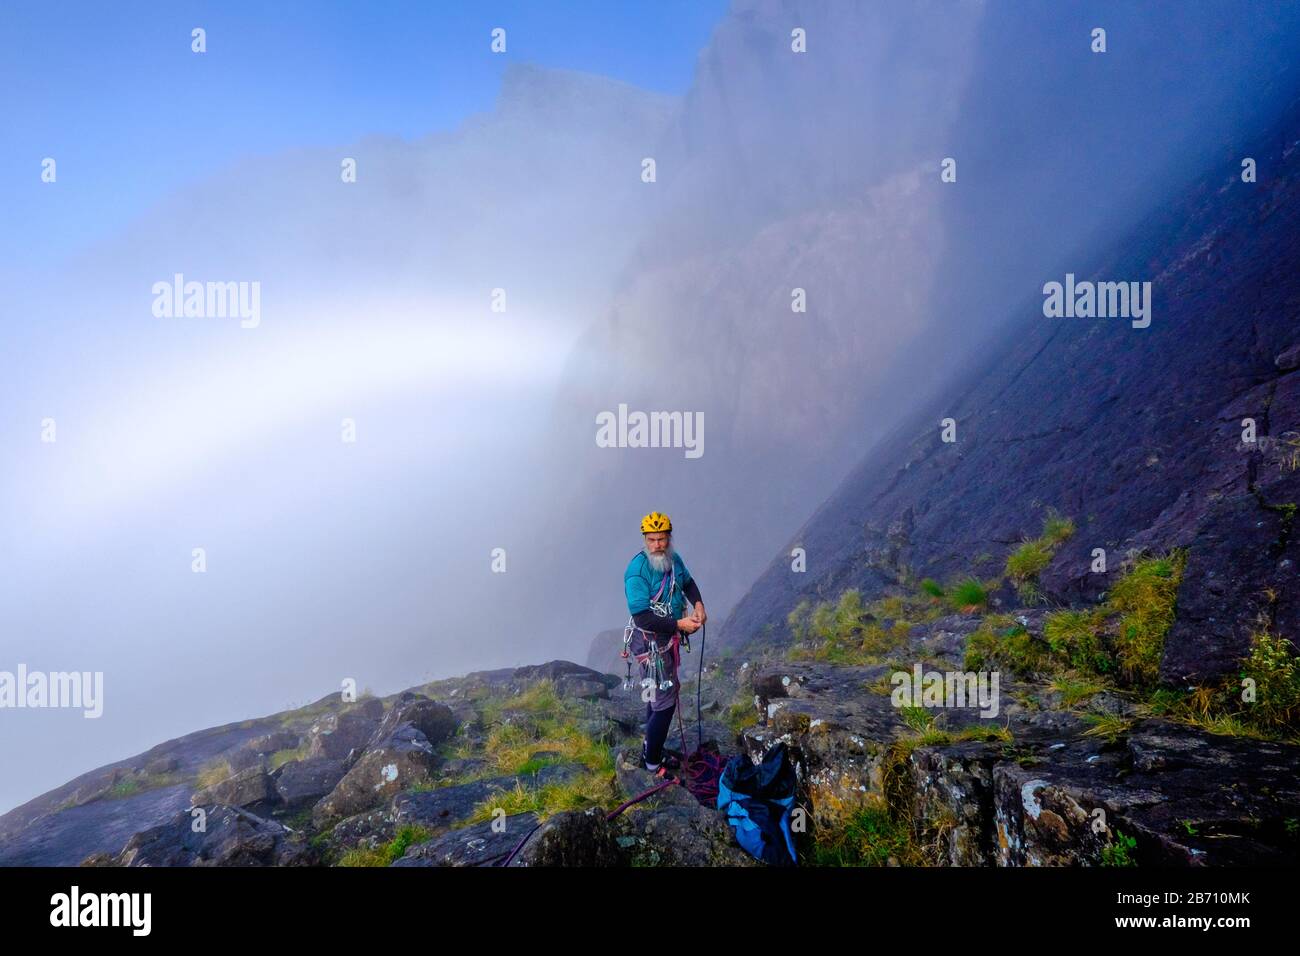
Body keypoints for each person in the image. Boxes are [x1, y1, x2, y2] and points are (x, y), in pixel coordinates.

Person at [623, 511, 706, 774]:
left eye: (662, 539)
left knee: (655, 699)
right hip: (650, 644)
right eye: (652, 540)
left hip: (665, 640)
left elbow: (688, 582)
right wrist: (679, 625)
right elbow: (642, 617)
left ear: (669, 538)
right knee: (665, 702)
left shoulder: (673, 560)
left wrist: (699, 604)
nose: (658, 545)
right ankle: (652, 763)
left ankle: (651, 747)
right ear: (644, 540)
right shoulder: (636, 571)